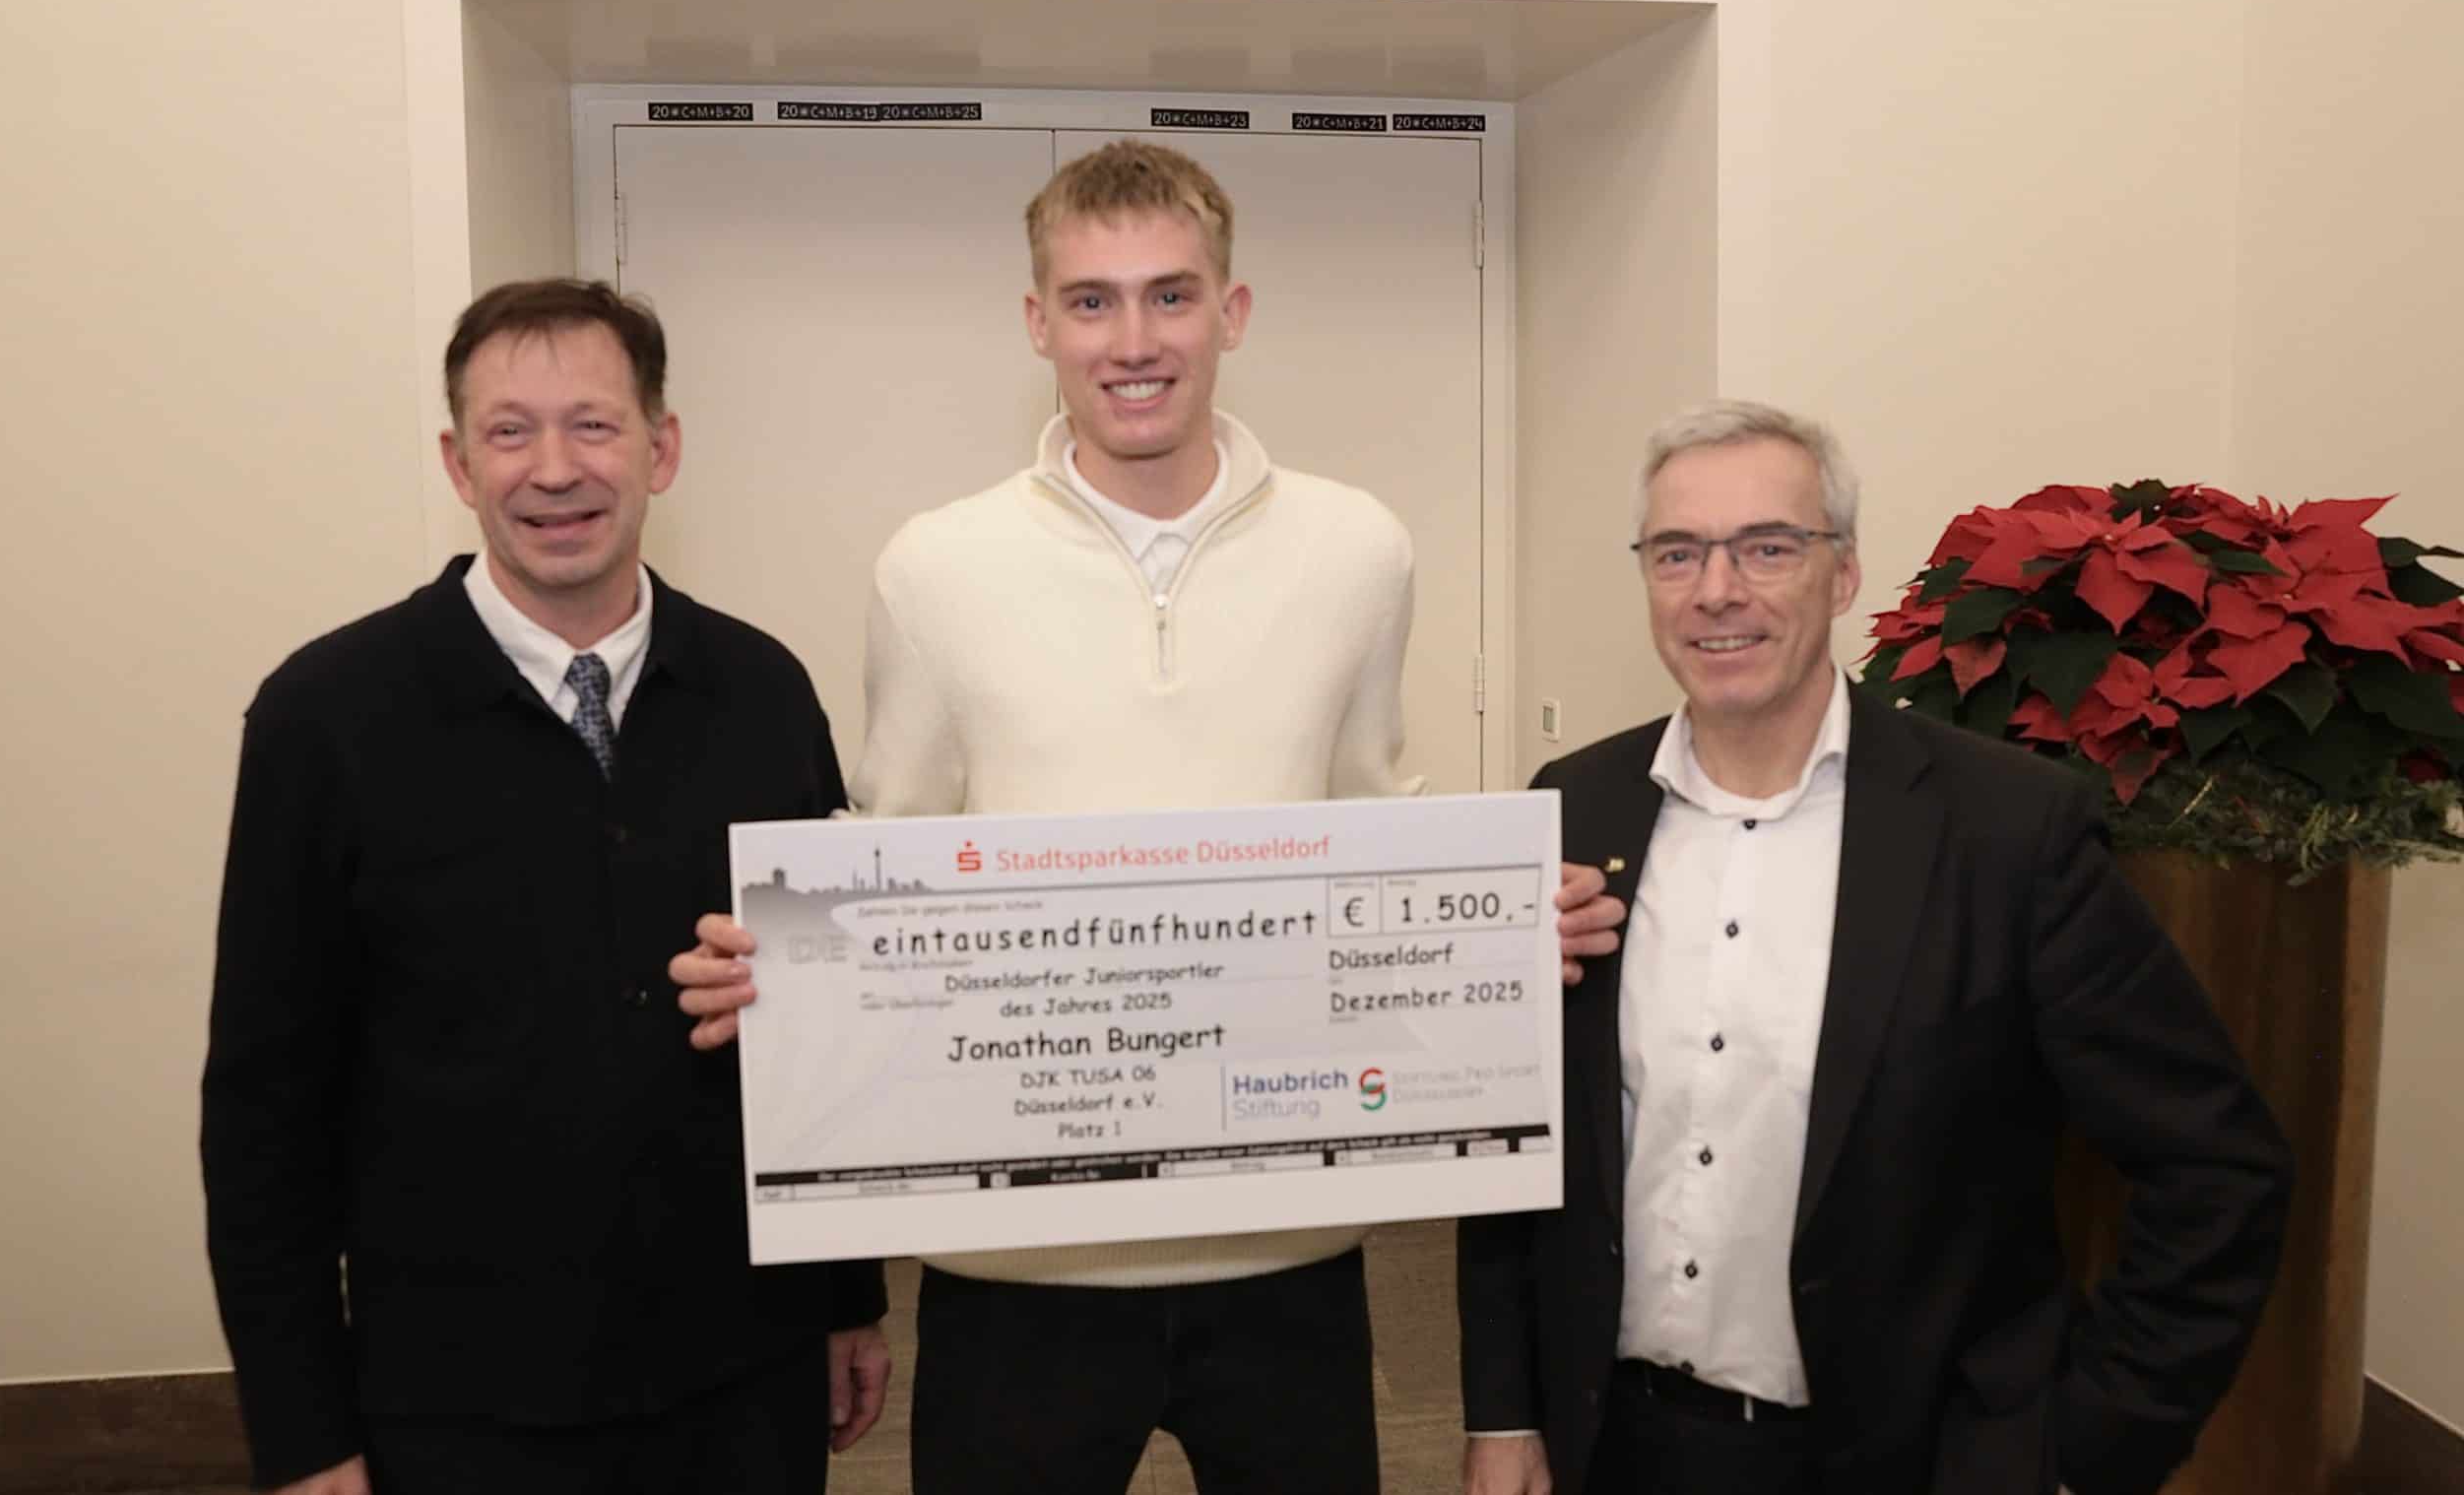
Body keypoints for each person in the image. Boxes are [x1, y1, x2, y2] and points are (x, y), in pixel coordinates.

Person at [672, 140, 1624, 1495]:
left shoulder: (1357, 549)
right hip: (1015, 1260)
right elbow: (888, 854)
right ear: (1037, 322)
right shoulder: (936, 565)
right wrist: (783, 965)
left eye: (1171, 295)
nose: (1133, 340)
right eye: (1092, 300)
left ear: (1231, 311)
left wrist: (1503, 924)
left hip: (1287, 1244)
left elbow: (1372, 818)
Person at [1457, 400, 2295, 1495]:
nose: (1717, 589)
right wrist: (1505, 1411)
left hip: (1911, 1455)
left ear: (1843, 572)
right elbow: (1515, 1145)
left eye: (1767, 547)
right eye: (1677, 552)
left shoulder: (2004, 832)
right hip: (1615, 1444)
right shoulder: (1575, 809)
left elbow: (2217, 1167)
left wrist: (2083, 1448)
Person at [201, 280, 888, 1495]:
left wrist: (845, 1297)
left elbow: (822, 1028)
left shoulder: (765, 692)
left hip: (743, 1379)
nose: (554, 469)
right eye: (510, 431)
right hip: (456, 1404)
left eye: (594, 425)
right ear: (458, 464)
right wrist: (305, 1433)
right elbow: (265, 1104)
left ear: (661, 449)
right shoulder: (324, 718)